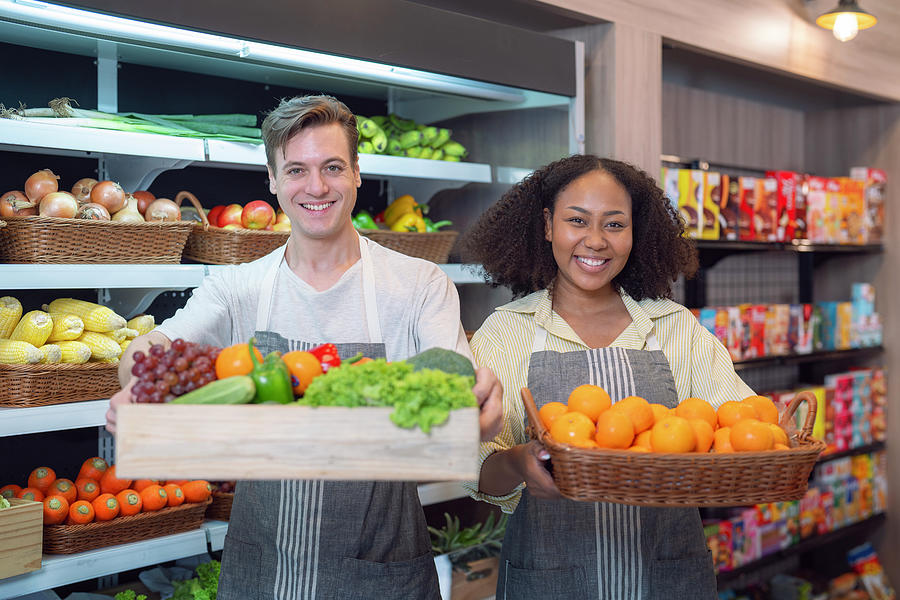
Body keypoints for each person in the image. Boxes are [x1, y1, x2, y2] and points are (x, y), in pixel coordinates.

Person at [105, 94, 502, 600]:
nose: (315, 187)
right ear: (272, 180)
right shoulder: (237, 288)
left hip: (382, 565)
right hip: (260, 566)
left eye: (332, 167)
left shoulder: (418, 283)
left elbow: (458, 386)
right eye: (296, 169)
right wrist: (139, 384)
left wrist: (477, 403)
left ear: (357, 172)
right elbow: (155, 348)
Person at [460, 155, 755, 599]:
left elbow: (739, 431)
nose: (595, 241)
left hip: (668, 577)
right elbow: (476, 467)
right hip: (549, 580)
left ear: (636, 232)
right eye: (577, 220)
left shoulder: (674, 327)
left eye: (615, 225)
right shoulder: (508, 330)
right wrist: (522, 461)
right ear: (547, 225)